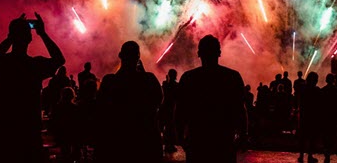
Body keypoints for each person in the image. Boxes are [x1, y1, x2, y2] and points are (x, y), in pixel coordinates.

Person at [0, 12, 65, 163]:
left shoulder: (3, 63)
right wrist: (42, 34)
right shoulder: (35, 65)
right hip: (29, 130)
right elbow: (59, 59)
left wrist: (12, 35)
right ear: (29, 38)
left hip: (5, 129)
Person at [175, 35, 248, 163]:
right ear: (219, 53)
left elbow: (180, 111)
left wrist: (180, 137)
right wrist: (243, 135)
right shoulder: (232, 77)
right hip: (224, 140)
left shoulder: (188, 78)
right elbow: (240, 110)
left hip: (197, 140)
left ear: (199, 53)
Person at [95, 41, 163, 163]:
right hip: (145, 142)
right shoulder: (149, 80)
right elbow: (158, 101)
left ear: (120, 55)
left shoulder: (109, 81)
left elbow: (101, 109)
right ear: (138, 57)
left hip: (117, 141)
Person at [297, 71, 322, 163]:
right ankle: (310, 156)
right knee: (312, 137)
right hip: (312, 116)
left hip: (304, 115)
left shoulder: (303, 89)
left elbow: (299, 101)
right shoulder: (316, 90)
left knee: (303, 137)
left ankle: (301, 155)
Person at [318, 73, 337, 163]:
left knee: (325, 134)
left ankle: (326, 149)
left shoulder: (322, 90)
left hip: (325, 115)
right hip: (333, 116)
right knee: (332, 133)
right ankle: (329, 150)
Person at [161, 68, 180, 153]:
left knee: (167, 126)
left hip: (166, 107)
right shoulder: (176, 85)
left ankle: (167, 144)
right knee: (171, 126)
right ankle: (170, 145)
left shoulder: (165, 84)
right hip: (172, 107)